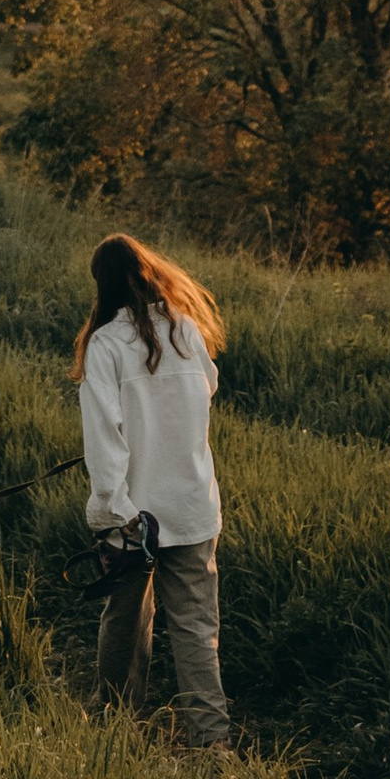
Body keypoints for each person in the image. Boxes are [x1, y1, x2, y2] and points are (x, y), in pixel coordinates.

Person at [75, 231, 231, 752]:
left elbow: (105, 441)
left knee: (124, 623)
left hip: (135, 517)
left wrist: (112, 513)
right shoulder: (187, 331)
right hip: (191, 507)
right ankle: (212, 745)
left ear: (104, 287)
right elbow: (205, 390)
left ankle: (118, 736)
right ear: (148, 274)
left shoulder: (104, 346)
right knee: (195, 631)